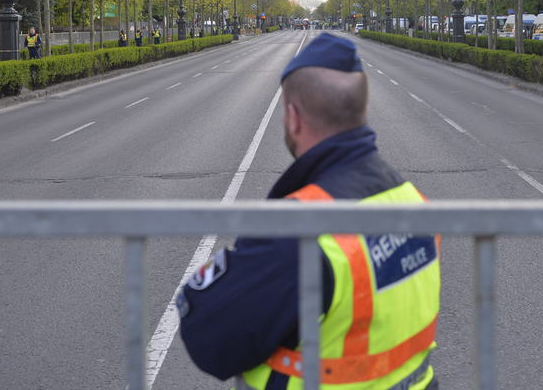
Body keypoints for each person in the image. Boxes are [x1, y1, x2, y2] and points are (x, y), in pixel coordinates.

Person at [178, 33, 440, 389]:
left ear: (293, 117)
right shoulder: (412, 200)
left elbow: (209, 341)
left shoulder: (298, 232)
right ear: (361, 110)